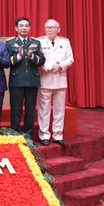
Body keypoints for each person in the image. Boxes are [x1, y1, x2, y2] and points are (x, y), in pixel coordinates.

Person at [7, 17, 45, 136]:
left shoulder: (36, 43)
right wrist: (18, 57)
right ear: (16, 28)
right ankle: (15, 134)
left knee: (30, 110)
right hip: (16, 80)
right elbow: (6, 61)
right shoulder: (10, 43)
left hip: (32, 80)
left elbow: (42, 60)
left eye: (26, 26)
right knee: (16, 109)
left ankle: (29, 135)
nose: (24, 28)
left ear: (29, 28)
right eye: (21, 26)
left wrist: (32, 57)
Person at [38, 19, 74, 147]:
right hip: (45, 79)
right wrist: (49, 66)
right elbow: (38, 59)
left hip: (60, 79)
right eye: (47, 27)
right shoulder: (39, 41)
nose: (49, 30)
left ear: (58, 29)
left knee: (59, 110)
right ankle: (44, 135)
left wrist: (60, 66)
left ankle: (58, 135)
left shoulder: (65, 42)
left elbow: (70, 59)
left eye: (52, 27)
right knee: (44, 109)